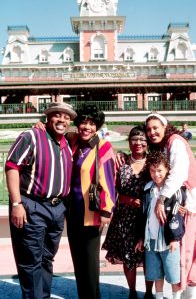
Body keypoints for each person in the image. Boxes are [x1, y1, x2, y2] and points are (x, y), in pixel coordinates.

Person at [5, 102, 77, 299]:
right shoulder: (32, 136)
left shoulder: (67, 143)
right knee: (31, 260)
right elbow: (12, 166)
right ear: (48, 117)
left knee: (46, 258)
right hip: (32, 205)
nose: (62, 120)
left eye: (66, 117)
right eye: (57, 115)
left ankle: (42, 296)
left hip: (57, 208)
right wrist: (16, 203)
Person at [66, 103, 116, 299]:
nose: (86, 127)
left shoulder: (103, 147)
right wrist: (40, 125)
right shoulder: (75, 142)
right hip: (73, 212)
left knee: (89, 261)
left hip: (92, 213)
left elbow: (109, 182)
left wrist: (106, 210)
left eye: (91, 123)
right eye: (83, 122)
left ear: (97, 126)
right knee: (77, 260)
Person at [145, 112, 196, 299]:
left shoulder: (174, 141)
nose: (152, 132)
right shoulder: (167, 145)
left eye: (155, 127)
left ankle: (186, 296)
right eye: (148, 129)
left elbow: (178, 174)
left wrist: (162, 199)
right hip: (184, 204)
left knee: (187, 255)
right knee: (186, 255)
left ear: (165, 127)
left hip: (189, 205)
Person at [102, 125, 153, 299]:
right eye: (134, 139)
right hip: (125, 218)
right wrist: (127, 200)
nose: (138, 143)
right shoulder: (121, 162)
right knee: (128, 256)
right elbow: (109, 188)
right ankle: (132, 291)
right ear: (129, 143)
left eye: (142, 140)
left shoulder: (153, 162)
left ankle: (148, 292)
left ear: (147, 143)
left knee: (149, 257)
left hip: (148, 218)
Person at [138, 151, 186, 299]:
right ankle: (158, 296)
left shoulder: (174, 190)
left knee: (173, 273)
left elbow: (176, 216)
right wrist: (141, 237)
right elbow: (143, 215)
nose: (156, 174)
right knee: (155, 273)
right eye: (152, 170)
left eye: (160, 170)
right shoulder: (147, 189)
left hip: (168, 240)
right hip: (151, 239)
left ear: (167, 170)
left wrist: (174, 238)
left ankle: (176, 297)